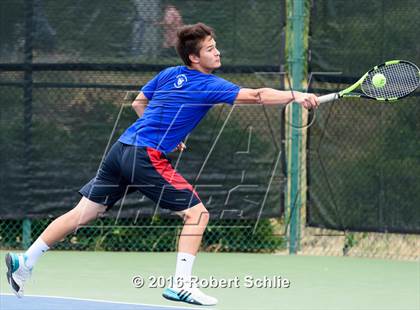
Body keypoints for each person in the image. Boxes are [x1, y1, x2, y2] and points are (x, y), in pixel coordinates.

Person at [5, 23, 318, 306]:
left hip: (122, 149)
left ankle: (26, 261)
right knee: (197, 214)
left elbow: (139, 102)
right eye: (210, 48)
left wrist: (167, 133)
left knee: (83, 213)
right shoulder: (207, 85)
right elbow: (259, 95)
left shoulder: (170, 74)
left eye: (215, 45)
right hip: (145, 155)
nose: (217, 51)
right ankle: (181, 284)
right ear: (195, 58)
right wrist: (296, 94)